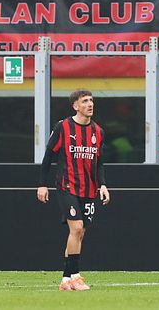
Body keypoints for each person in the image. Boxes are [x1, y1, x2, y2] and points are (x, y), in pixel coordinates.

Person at [37, 89, 110, 291]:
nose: (90, 104)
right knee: (76, 228)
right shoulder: (63, 127)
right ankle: (76, 276)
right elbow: (48, 157)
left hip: (89, 189)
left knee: (79, 233)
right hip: (67, 186)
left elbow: (100, 163)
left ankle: (66, 279)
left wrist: (102, 185)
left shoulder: (98, 132)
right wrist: (42, 184)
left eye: (92, 100)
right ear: (75, 106)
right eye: (85, 101)